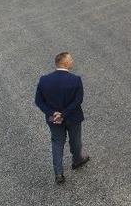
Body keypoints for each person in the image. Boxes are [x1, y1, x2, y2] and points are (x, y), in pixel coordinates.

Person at [34, 52, 89, 184]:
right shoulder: (75, 80)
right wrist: (63, 114)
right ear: (64, 63)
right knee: (75, 141)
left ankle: (58, 173)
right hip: (73, 118)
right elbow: (78, 100)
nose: (72, 61)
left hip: (53, 120)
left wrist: (53, 113)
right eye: (70, 59)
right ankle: (77, 161)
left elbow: (38, 101)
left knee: (57, 143)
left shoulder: (44, 80)